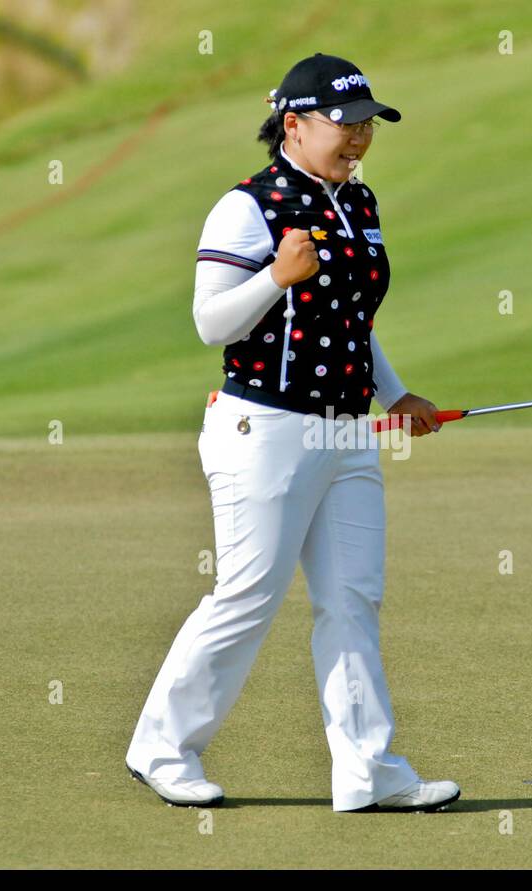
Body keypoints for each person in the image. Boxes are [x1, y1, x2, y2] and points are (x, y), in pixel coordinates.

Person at [124, 53, 461, 814]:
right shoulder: (248, 207)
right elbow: (211, 321)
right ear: (294, 124)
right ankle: (161, 750)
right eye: (344, 124)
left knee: (351, 598)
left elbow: (351, 321)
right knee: (248, 594)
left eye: (368, 123)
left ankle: (368, 771)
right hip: (264, 426)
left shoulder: (358, 203)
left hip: (347, 431)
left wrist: (396, 392)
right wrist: (275, 277)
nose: (359, 138)